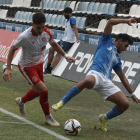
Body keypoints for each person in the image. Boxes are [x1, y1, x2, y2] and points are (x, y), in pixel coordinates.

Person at [52, 18, 140, 131]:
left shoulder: (117, 59)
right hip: (96, 73)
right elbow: (110, 21)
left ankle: (104, 118)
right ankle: (62, 102)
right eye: (126, 45)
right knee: (88, 81)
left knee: (124, 104)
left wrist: (132, 94)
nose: (126, 49)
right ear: (120, 41)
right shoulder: (106, 41)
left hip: (106, 81)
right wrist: (126, 20)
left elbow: (122, 77)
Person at [3, 12, 75, 127]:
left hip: (39, 64)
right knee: (44, 91)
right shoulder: (25, 36)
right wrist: (8, 68)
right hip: (27, 67)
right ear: (32, 24)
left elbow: (55, 45)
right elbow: (12, 49)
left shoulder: (47, 32)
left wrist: (66, 56)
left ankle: (21, 101)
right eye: (38, 27)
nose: (41, 30)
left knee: (38, 93)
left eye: (42, 27)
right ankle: (48, 117)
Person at [44, 7, 80, 75]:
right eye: (65, 13)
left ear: (70, 14)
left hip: (69, 41)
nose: (65, 14)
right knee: (51, 49)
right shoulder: (67, 20)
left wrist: (77, 39)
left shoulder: (72, 19)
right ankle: (48, 67)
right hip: (64, 39)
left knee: (59, 53)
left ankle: (50, 70)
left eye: (67, 13)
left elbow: (75, 29)